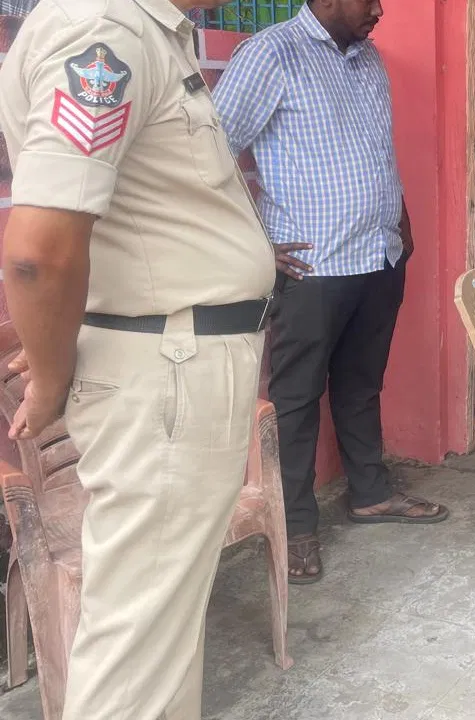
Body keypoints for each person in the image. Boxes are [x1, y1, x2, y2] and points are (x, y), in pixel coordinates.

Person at [0, 0, 278, 716]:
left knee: (157, 638)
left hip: (170, 360)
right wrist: (50, 375)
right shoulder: (104, 30)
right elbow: (37, 253)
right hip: (169, 374)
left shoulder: (143, 30)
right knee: (138, 656)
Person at [213, 0, 447, 585]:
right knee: (296, 401)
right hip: (312, 269)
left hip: (378, 256)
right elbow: (208, 155)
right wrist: (255, 243)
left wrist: (401, 218)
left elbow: (378, 150)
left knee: (361, 385)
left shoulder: (369, 60)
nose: (380, 10)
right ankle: (295, 527)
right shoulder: (270, 54)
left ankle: (370, 493)